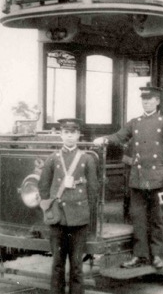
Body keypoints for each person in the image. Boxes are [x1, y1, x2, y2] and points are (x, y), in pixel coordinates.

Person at [93, 85, 163, 270]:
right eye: (143, 99)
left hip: (157, 180)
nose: (146, 102)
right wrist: (104, 139)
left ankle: (158, 257)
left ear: (157, 101)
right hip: (138, 179)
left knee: (156, 220)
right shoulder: (135, 122)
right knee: (138, 219)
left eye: (150, 99)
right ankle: (140, 255)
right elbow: (119, 136)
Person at [38, 118, 99, 294]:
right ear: (61, 135)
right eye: (66, 133)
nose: (70, 136)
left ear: (79, 135)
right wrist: (47, 208)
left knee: (77, 265)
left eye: (73, 133)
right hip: (57, 219)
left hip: (79, 220)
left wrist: (88, 213)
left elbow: (93, 189)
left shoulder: (87, 159)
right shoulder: (53, 158)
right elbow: (43, 186)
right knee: (57, 264)